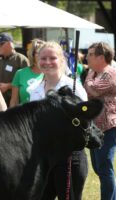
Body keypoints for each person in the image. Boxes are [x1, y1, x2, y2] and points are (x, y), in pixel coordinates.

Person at [28, 41, 88, 200]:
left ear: (61, 60)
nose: (47, 62)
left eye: (52, 58)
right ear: (37, 60)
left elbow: (85, 123)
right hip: (43, 157)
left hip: (69, 157)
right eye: (43, 58)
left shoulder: (74, 87)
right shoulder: (34, 90)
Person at [84, 42, 116, 200]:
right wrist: (90, 76)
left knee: (104, 167)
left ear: (101, 57)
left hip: (109, 127)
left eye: (90, 54)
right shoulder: (96, 73)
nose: (86, 57)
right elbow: (88, 88)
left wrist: (89, 75)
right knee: (98, 167)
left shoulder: (110, 74)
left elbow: (93, 90)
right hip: (95, 127)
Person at [0, 32, 30, 105]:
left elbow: (28, 82)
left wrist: (8, 86)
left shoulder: (21, 60)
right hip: (1, 102)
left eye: (1, 44)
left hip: (18, 103)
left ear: (10, 44)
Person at [10, 39, 45, 107]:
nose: (42, 56)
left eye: (44, 53)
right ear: (32, 54)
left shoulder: (51, 74)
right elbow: (14, 101)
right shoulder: (20, 73)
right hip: (25, 116)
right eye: (39, 52)